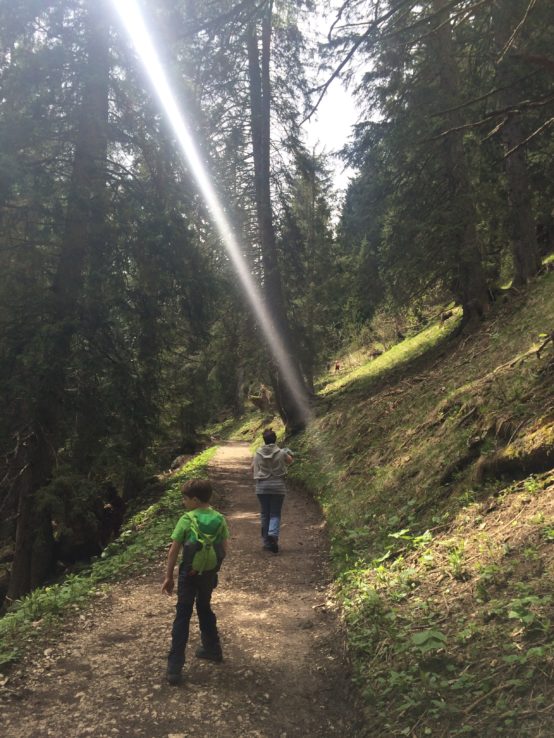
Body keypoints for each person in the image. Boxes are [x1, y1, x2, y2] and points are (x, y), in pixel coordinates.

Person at [161, 479, 229, 685]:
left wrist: (169, 577)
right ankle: (212, 649)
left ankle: (174, 667)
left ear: (195, 499)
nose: (183, 502)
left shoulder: (187, 519)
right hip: (207, 573)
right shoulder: (219, 519)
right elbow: (224, 549)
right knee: (204, 607)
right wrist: (212, 568)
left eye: (185, 498)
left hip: (188, 574)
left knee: (183, 614)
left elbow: (174, 550)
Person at [252, 428, 293, 554]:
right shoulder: (281, 452)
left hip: (262, 487)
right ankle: (273, 534)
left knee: (265, 514)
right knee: (275, 513)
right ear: (275, 439)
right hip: (278, 486)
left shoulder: (258, 453)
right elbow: (290, 461)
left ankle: (266, 542)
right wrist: (287, 453)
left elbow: (252, 468)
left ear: (264, 440)